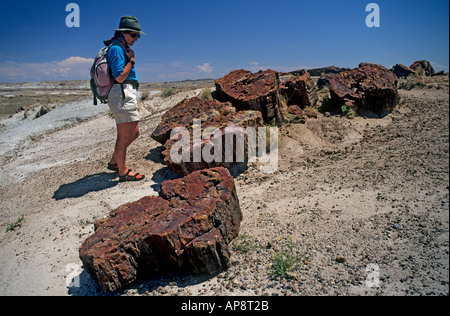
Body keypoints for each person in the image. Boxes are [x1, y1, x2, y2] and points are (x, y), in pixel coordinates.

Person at [106, 16, 146, 182]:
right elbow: (120, 77)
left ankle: (115, 161)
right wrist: (131, 60)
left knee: (134, 133)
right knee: (123, 136)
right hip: (121, 93)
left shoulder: (122, 47)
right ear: (123, 33)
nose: (136, 39)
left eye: (138, 35)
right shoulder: (116, 49)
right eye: (133, 35)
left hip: (126, 93)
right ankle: (122, 171)